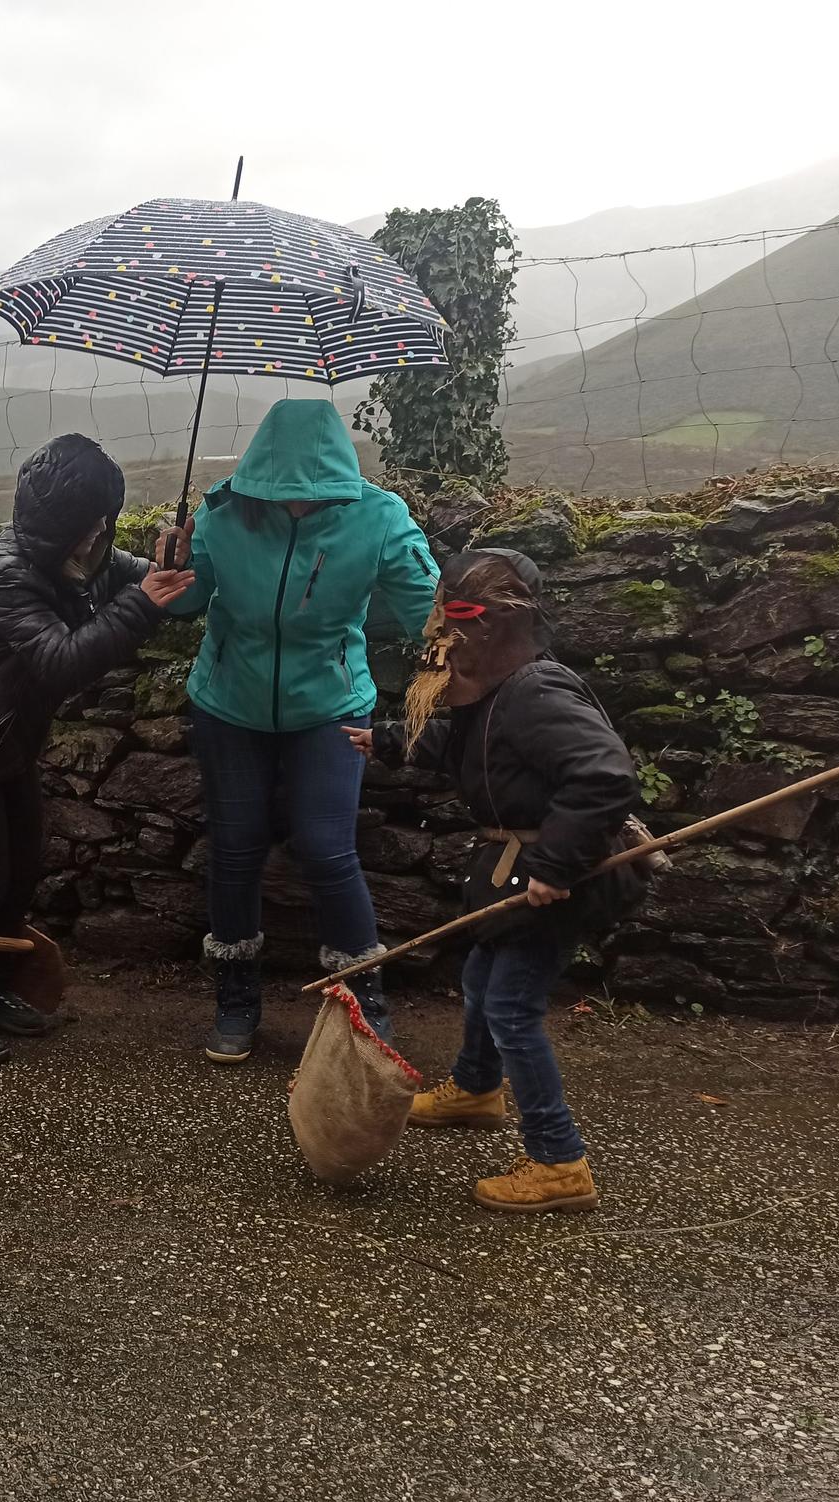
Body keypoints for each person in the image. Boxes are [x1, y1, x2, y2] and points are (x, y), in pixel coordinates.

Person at [347, 548, 642, 1213]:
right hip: (518, 873)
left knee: (509, 1004)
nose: (446, 633)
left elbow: (604, 777)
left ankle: (558, 1160)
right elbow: (475, 747)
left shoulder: (538, 690)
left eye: (461, 617)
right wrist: (391, 741)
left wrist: (554, 866)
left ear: (500, 623)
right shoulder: (500, 694)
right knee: (482, 978)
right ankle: (477, 1089)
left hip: (549, 877)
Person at [0, 435, 195, 1061]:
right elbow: (60, 663)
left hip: (3, 747)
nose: (99, 536)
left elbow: (165, 588)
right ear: (73, 525)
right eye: (93, 525)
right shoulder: (9, 574)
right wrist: (142, 606)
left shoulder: (82, 559)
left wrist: (175, 562)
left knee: (20, 875)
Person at [167, 398, 438, 1063]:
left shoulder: (380, 518)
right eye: (281, 494)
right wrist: (172, 562)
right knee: (234, 846)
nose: (295, 508)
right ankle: (236, 997)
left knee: (324, 847)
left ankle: (363, 997)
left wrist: (467, 635)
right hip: (229, 703)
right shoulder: (223, 513)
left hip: (332, 705)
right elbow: (190, 604)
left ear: (336, 482)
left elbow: (426, 614)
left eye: (311, 497)